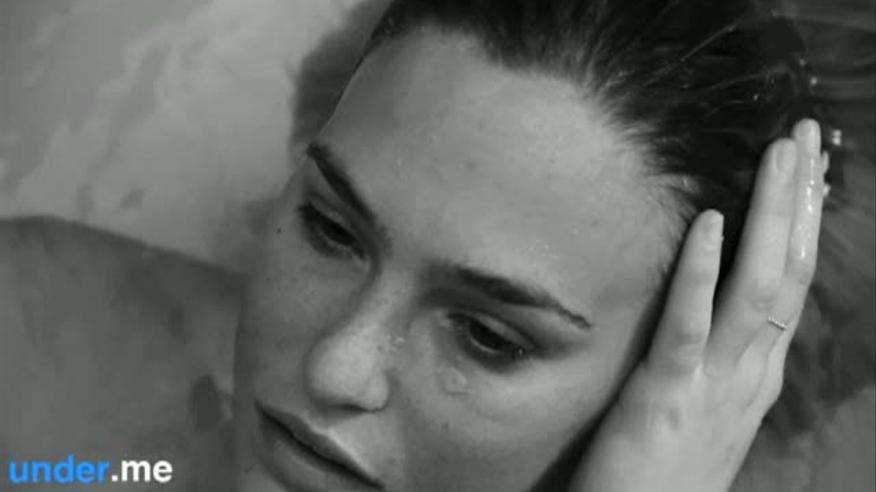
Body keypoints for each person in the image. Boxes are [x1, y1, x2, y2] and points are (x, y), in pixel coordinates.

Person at [0, 0, 869, 491]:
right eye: (330, 229)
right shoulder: (35, 351)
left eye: (488, 336)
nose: (336, 367)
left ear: (672, 390)